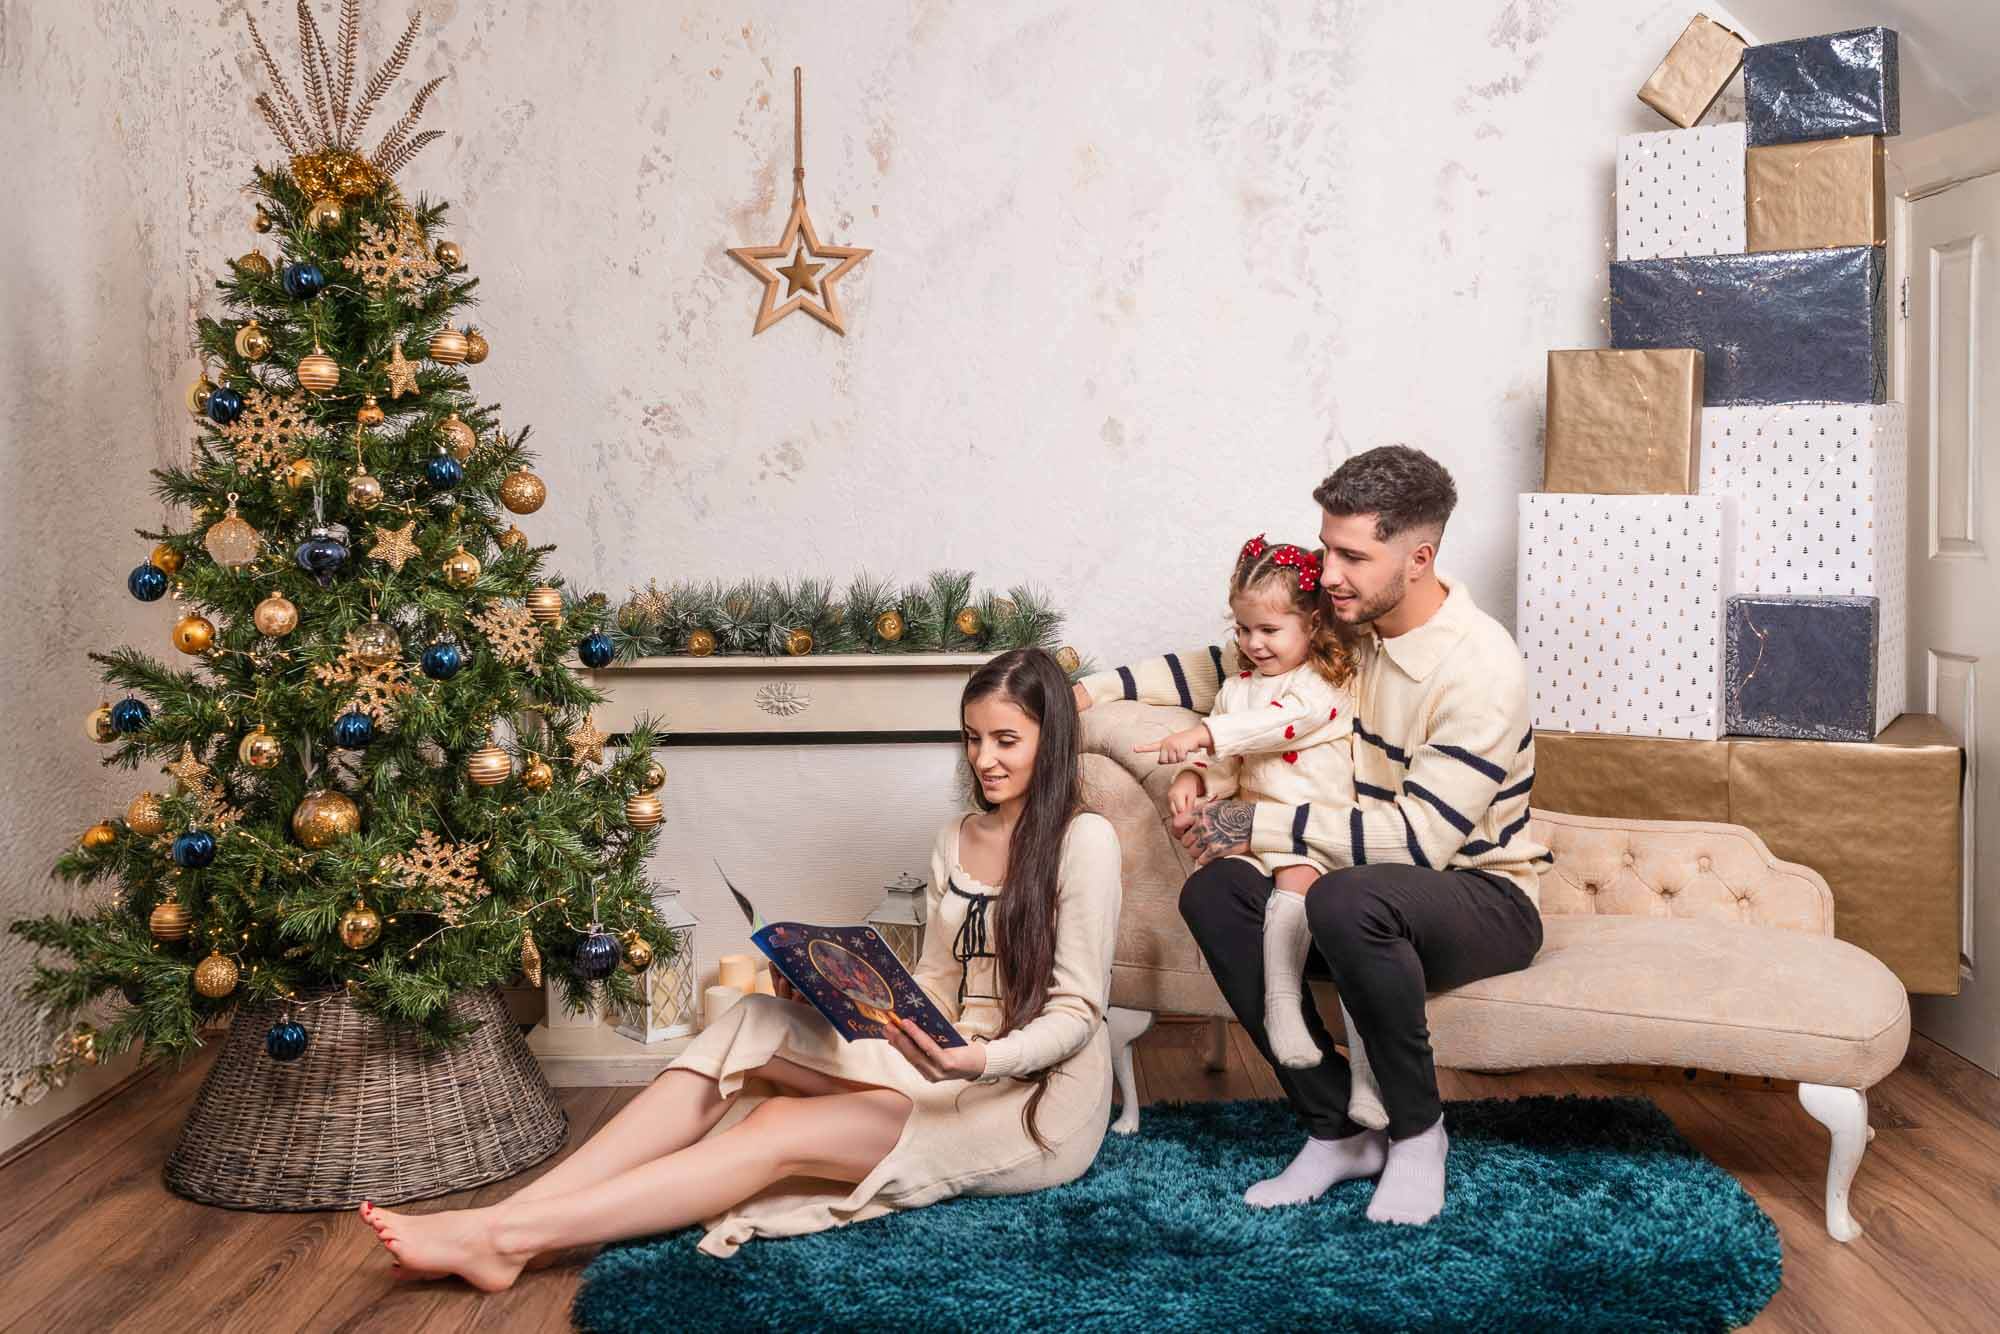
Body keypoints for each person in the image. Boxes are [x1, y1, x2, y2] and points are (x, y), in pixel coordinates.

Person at [361, 647, 1124, 1286]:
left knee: (777, 1122)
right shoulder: (956, 835)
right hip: (939, 1052)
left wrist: (978, 1058)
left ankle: (507, 1241)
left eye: (1005, 740)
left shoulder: (1085, 842)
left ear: (1047, 739)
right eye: (970, 738)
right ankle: (506, 1221)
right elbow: (932, 981)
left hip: (1030, 1101)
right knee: (755, 1018)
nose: (983, 759)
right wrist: (843, 998)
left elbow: (1077, 1015)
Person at [1075, 445, 1546, 1226]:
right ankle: (1335, 1127)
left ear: (1420, 557)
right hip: (1354, 895)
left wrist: (1252, 820)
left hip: (1482, 896)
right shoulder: (1349, 626)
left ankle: (1418, 1133)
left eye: (1352, 555)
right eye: (1326, 546)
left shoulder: (1479, 667)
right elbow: (1220, 665)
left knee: (1347, 897)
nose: (1326, 572)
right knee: (1219, 889)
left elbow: (1420, 842)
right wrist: (1087, 688)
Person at [1134, 532, 1386, 1130]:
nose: (1253, 644)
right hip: (1258, 837)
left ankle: (1365, 1076)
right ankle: (1285, 1018)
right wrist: (1195, 778)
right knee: (1223, 885)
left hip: (1315, 835)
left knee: (1309, 911)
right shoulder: (1235, 688)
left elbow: (1282, 727)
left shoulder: (1325, 684)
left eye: (1269, 631)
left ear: (1313, 625)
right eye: (1244, 630)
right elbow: (1228, 764)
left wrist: (1205, 736)